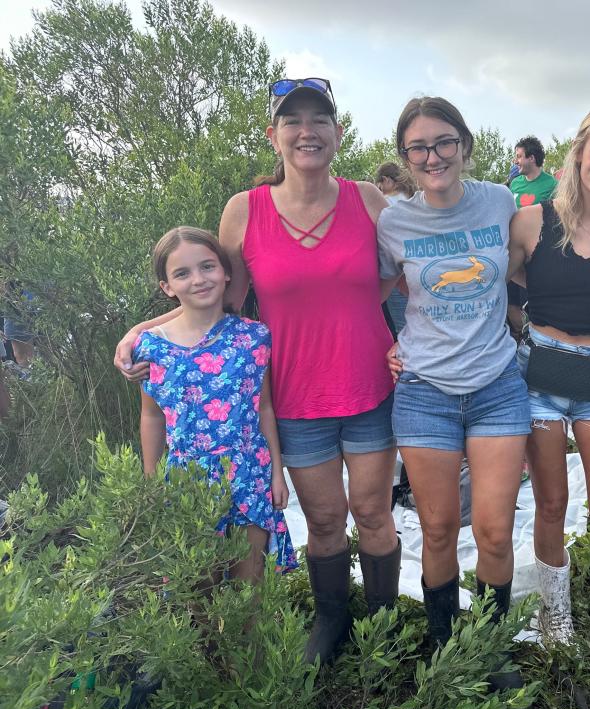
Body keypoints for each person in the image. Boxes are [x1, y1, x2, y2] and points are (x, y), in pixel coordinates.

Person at [115, 78, 401, 665]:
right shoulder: (245, 211)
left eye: (319, 119)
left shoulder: (369, 199)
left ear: (337, 133)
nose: (306, 131)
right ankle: (331, 623)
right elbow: (224, 299)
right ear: (273, 135)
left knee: (374, 512)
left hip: (370, 387)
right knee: (324, 518)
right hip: (293, 397)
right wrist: (146, 329)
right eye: (292, 121)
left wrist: (372, 309)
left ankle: (384, 626)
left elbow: (407, 270)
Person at [379, 96, 529, 689]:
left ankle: (491, 647)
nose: (433, 156)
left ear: (464, 145)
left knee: (493, 529)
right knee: (438, 529)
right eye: (419, 147)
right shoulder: (392, 222)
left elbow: (536, 262)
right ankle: (443, 645)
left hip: (496, 386)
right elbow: (357, 292)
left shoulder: (500, 200)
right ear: (405, 158)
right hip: (423, 392)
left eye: (444, 142)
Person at [508, 104, 590, 662]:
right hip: (540, 371)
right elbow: (505, 284)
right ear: (580, 151)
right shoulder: (533, 219)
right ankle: (555, 617)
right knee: (550, 503)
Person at [135, 226, 297, 582]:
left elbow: (264, 407)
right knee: (197, 590)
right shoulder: (151, 347)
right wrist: (151, 484)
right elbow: (151, 416)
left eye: (208, 266)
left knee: (250, 584)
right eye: (182, 273)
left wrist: (276, 472)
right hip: (185, 481)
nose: (198, 279)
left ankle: (248, 641)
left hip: (248, 473)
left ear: (226, 272)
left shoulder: (254, 337)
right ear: (167, 287)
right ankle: (209, 642)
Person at [506, 137, 558, 340]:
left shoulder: (552, 184)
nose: (515, 161)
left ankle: (535, 338)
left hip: (537, 256)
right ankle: (521, 336)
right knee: (511, 304)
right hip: (513, 252)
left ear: (532, 158)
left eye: (519, 156)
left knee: (532, 303)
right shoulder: (515, 183)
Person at [375, 162, 417, 335]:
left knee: (402, 328)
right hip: (418, 270)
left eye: (380, 185)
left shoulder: (384, 203)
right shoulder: (415, 198)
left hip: (394, 272)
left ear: (386, 180)